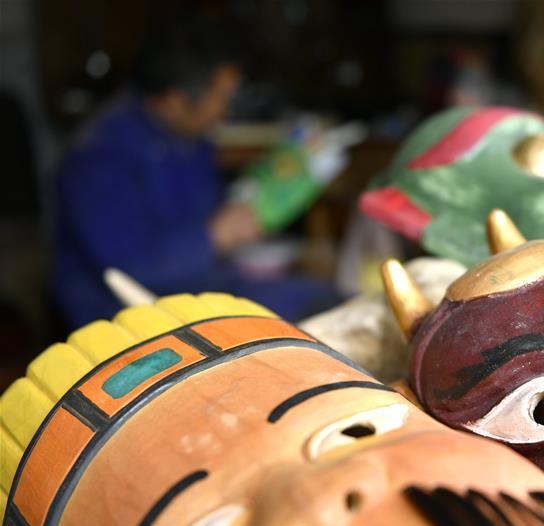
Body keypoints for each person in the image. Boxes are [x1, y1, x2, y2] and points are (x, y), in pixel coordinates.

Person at [54, 16, 338, 328]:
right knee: (298, 321)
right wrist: (216, 235)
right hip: (125, 313)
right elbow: (128, 272)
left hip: (198, 285)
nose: (226, 112)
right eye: (221, 100)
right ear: (176, 100)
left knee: (325, 297)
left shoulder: (192, 136)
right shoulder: (98, 158)